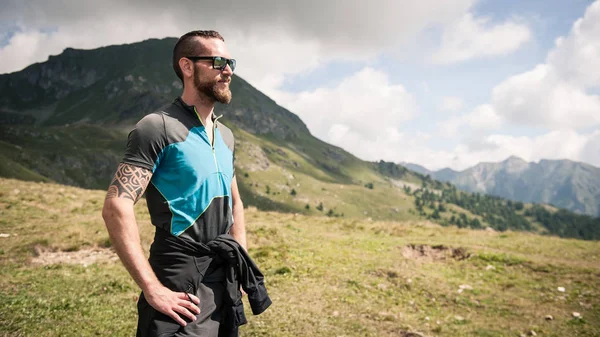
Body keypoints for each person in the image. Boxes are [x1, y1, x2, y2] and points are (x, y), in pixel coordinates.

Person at [102, 30, 270, 337]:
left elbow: (235, 202)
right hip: (179, 283)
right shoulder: (157, 127)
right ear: (187, 67)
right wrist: (153, 288)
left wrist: (240, 257)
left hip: (223, 279)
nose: (228, 70)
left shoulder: (226, 136)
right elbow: (116, 205)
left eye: (230, 61)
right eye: (218, 61)